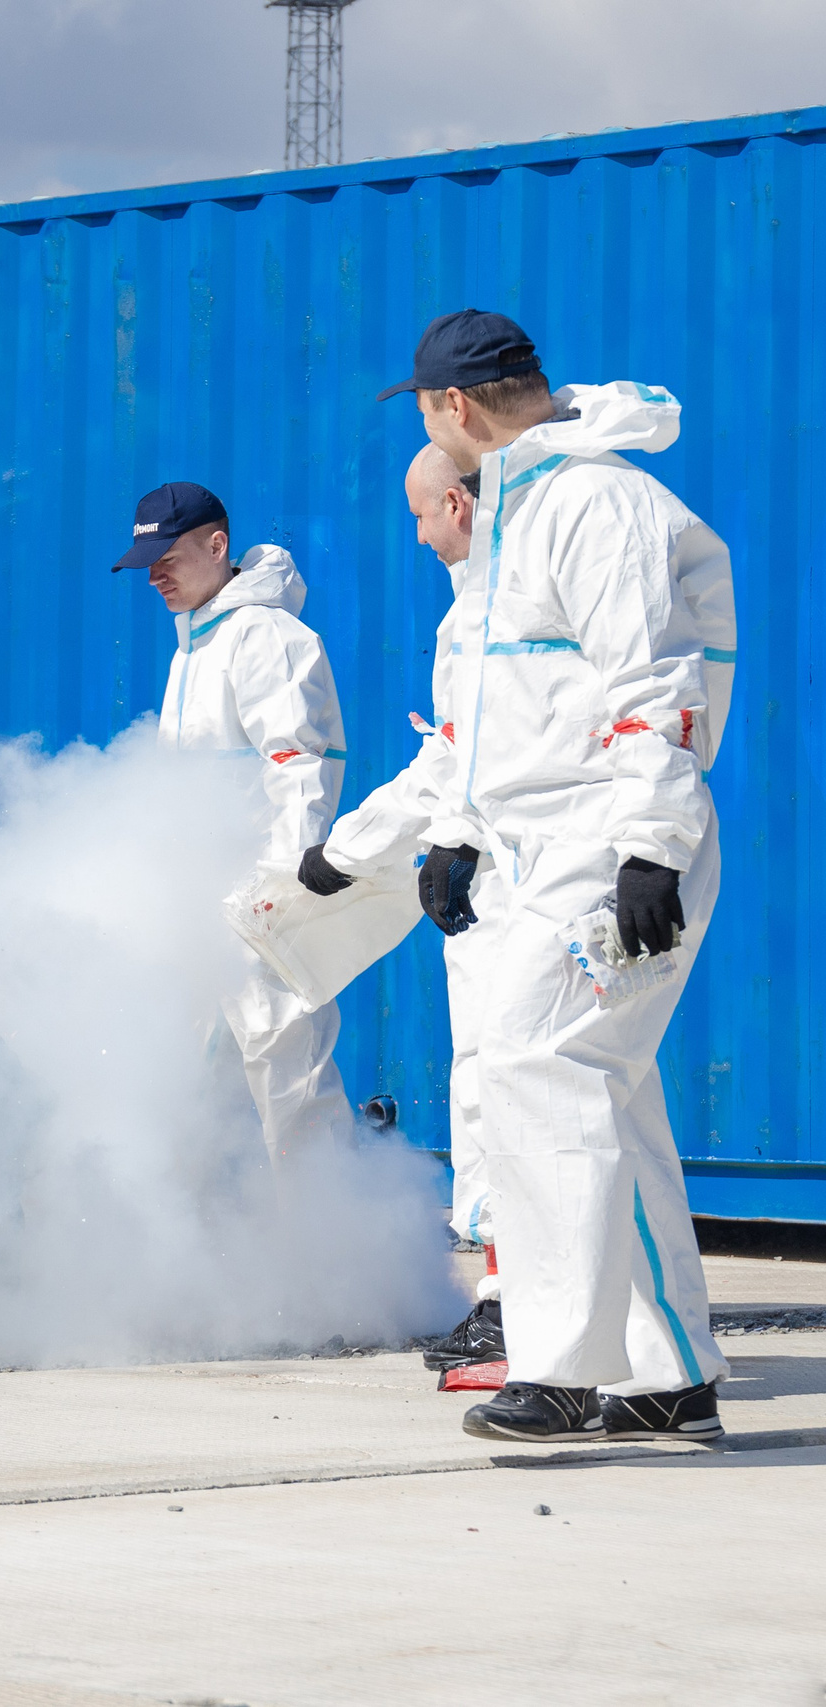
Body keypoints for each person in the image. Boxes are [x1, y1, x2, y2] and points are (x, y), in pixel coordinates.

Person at [308, 310, 735, 1443]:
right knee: (601, 1097)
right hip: (547, 849)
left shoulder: (594, 502)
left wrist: (651, 847)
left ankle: (555, 1365)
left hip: (607, 846)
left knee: (535, 1076)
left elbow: (652, 677)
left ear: (452, 408)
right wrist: (454, 830)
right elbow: (501, 717)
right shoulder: (517, 519)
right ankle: (669, 1370)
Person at [297, 448, 507, 1374]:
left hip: (526, 882)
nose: (418, 535)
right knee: (495, 1089)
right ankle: (515, 1298)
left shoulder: (502, 603)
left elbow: (466, 763)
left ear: (457, 502)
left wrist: (350, 847)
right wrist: (349, 851)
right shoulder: (475, 607)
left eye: (423, 515)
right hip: (496, 886)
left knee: (521, 1095)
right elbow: (449, 759)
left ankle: (525, 1308)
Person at [114, 481, 353, 1163]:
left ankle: (328, 1254)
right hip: (201, 902)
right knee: (196, 1080)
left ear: (218, 545)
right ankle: (222, 1253)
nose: (155, 572)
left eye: (169, 554)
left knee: (289, 1072)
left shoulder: (264, 636)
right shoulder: (194, 644)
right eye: (146, 560)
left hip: (260, 897)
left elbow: (298, 765)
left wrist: (286, 888)